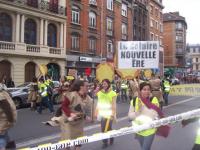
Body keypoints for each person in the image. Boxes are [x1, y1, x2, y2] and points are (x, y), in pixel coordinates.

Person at [60, 80, 92, 150]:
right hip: (68, 122)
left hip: (79, 122)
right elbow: (64, 106)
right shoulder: (72, 95)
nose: (88, 87)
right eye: (86, 86)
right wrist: (70, 114)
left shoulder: (88, 98)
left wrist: (87, 117)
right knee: (67, 140)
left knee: (78, 140)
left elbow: (87, 110)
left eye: (88, 86)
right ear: (81, 87)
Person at [128, 82, 160, 150]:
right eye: (144, 89)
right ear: (140, 90)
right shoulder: (134, 100)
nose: (147, 91)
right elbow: (130, 116)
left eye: (148, 89)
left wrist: (143, 107)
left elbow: (153, 115)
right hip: (138, 129)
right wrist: (138, 111)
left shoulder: (153, 100)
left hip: (149, 130)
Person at [95, 79, 117, 149]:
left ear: (108, 84)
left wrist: (112, 114)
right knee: (104, 128)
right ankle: (108, 139)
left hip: (109, 113)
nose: (104, 85)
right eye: (103, 84)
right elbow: (95, 98)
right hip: (102, 113)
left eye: (105, 83)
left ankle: (106, 141)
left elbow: (113, 105)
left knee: (106, 127)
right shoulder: (100, 92)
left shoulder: (112, 93)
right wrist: (97, 89)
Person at [0, 84, 17, 150]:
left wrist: (10, 120)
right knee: (5, 136)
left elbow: (8, 109)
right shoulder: (3, 93)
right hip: (3, 121)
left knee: (1, 138)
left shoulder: (1, 96)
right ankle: (11, 146)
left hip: (3, 122)